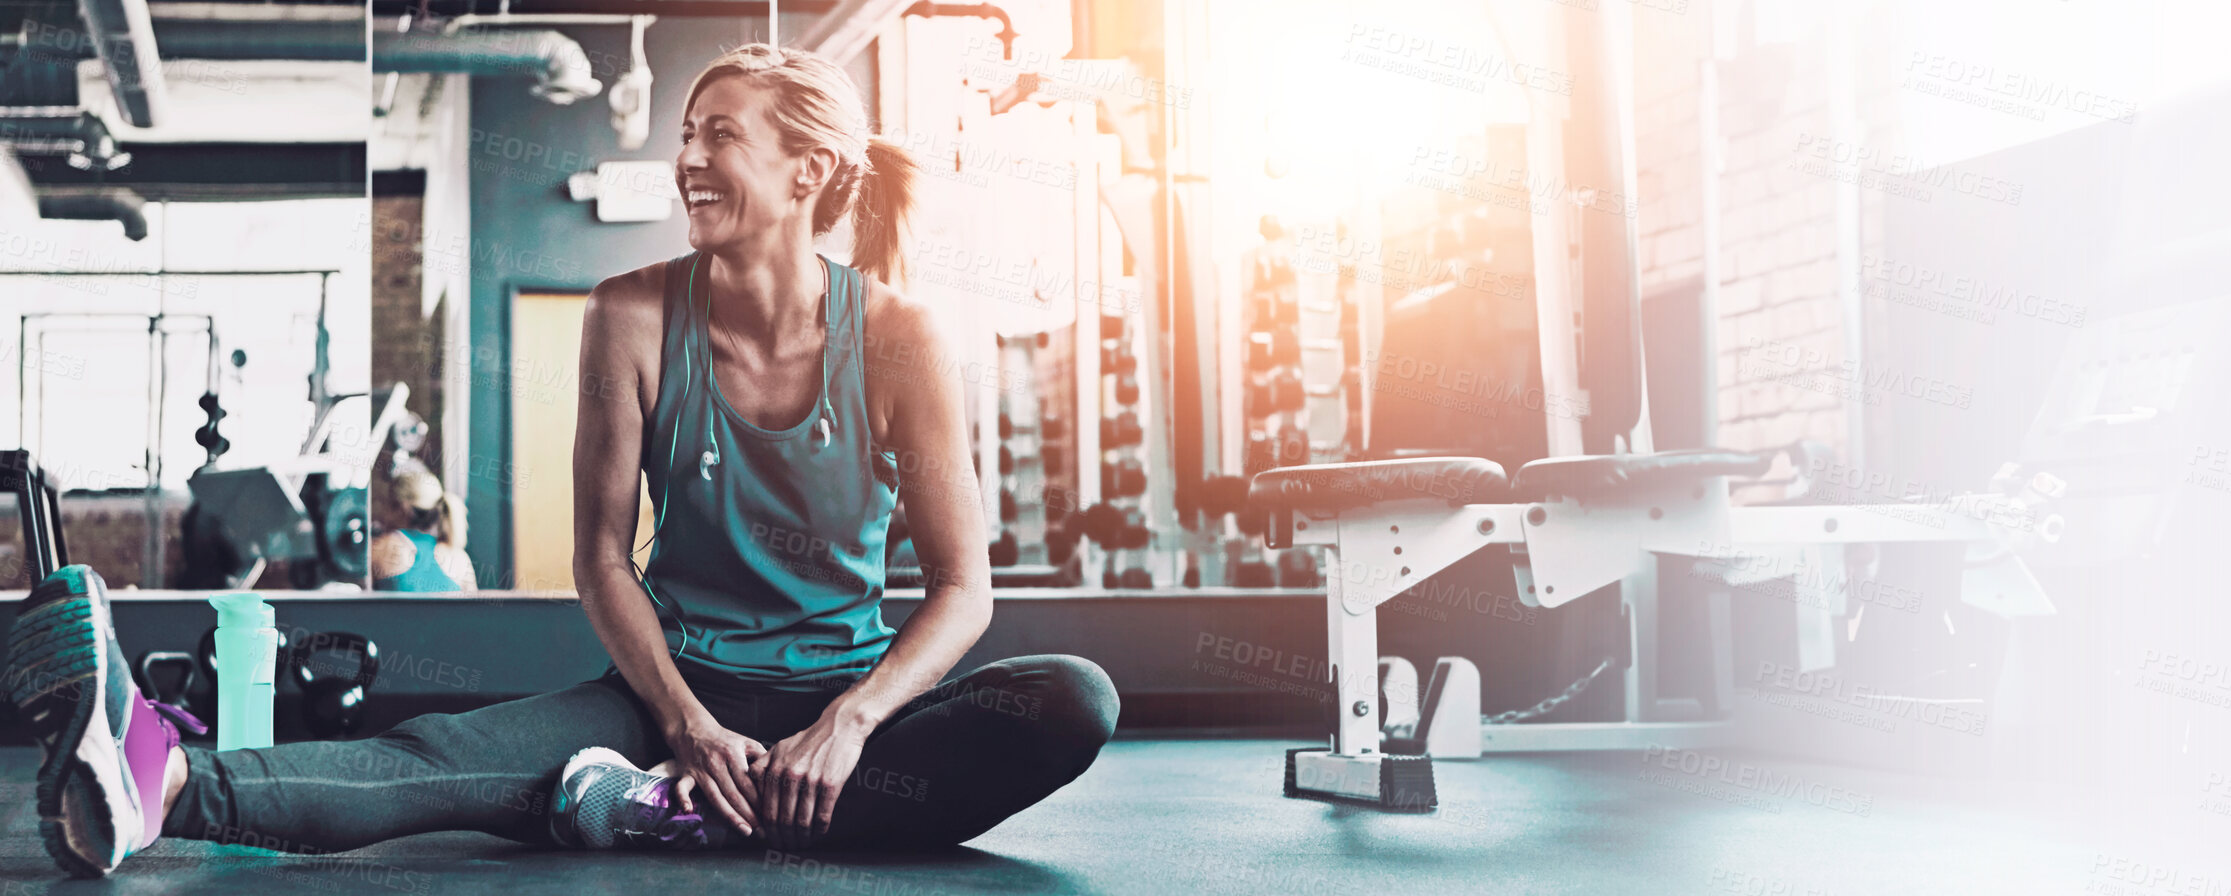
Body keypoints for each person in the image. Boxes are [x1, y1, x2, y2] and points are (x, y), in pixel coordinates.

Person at [3, 43, 1116, 878]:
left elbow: (963, 587)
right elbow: (600, 558)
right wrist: (685, 723)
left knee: (1073, 694)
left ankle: (669, 812)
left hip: (847, 697)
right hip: (670, 694)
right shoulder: (629, 314)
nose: (686, 159)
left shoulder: (899, 334)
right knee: (438, 757)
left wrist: (851, 721)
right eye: (686, 132)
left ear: (809, 169)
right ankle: (156, 777)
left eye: (719, 134)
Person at [370, 468, 475, 591]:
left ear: (403, 507)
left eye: (386, 503)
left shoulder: (380, 548)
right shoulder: (459, 558)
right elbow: (474, 609)